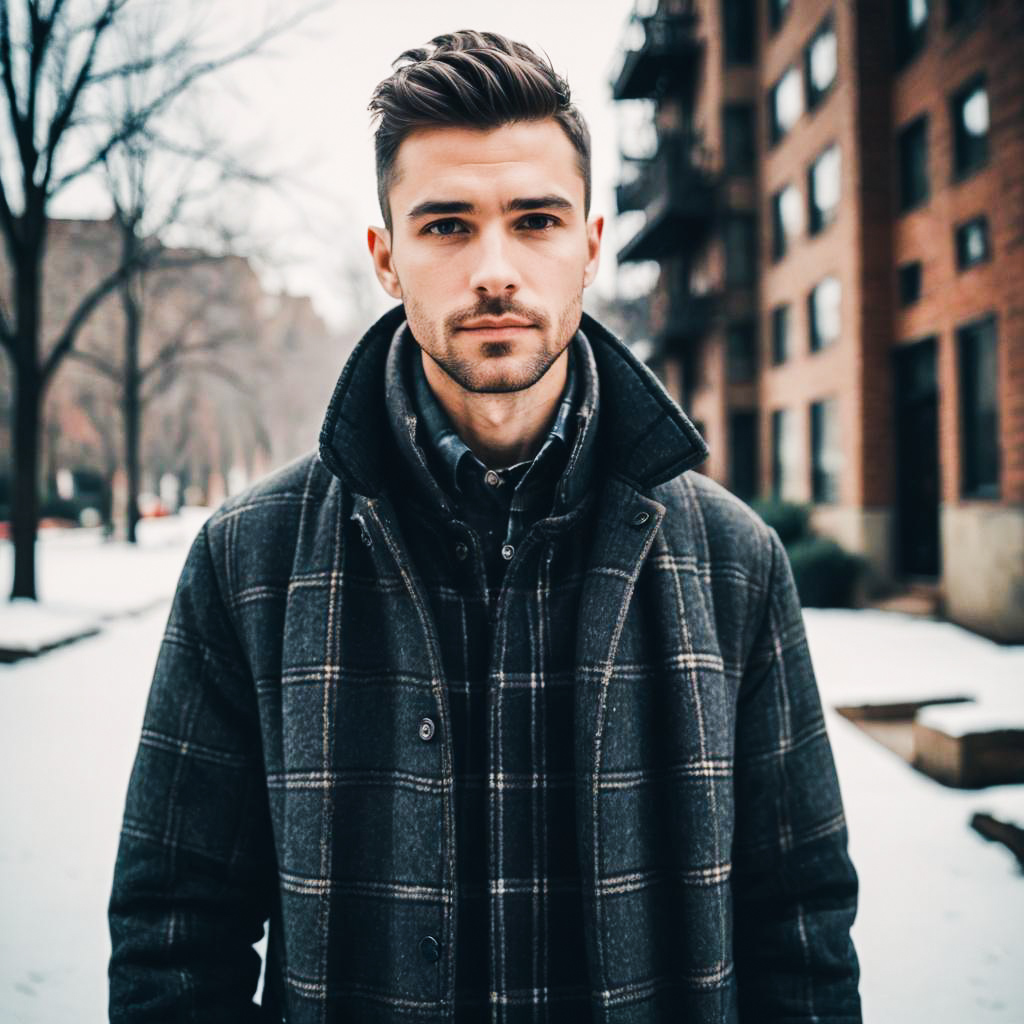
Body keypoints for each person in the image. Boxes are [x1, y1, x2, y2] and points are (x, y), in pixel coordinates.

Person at [108, 30, 861, 1024]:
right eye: (447, 225)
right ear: (386, 258)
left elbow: (798, 930)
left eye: (535, 219)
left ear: (590, 246)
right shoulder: (250, 559)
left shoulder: (732, 562)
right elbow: (175, 933)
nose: (494, 270)